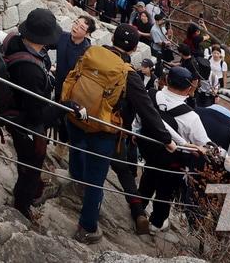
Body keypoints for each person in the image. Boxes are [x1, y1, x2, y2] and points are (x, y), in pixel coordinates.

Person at [65, 23, 144, 244]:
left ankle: (76, 181)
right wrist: (167, 140)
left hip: (75, 115)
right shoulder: (129, 74)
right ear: (135, 49)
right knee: (96, 180)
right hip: (103, 130)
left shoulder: (92, 52)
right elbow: (147, 111)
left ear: (112, 37)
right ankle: (87, 227)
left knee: (77, 147)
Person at [0, 8, 69, 225]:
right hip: (24, 123)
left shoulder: (15, 42)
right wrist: (63, 107)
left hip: (16, 109)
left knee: (28, 166)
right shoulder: (30, 70)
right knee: (30, 165)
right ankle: (21, 208)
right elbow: (36, 115)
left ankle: (25, 196)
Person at [132, 65, 212, 235]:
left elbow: (139, 119)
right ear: (188, 88)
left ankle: (137, 211)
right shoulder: (191, 117)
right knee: (165, 194)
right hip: (173, 162)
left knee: (147, 180)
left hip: (148, 152)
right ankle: (155, 224)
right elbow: (203, 143)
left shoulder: (150, 95)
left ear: (167, 80)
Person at [111, 52, 174, 230]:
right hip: (119, 131)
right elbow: (143, 109)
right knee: (125, 172)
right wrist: (167, 140)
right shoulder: (133, 78)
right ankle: (138, 210)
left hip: (102, 125)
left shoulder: (126, 76)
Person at [52, 16, 94, 106]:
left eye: (81, 28)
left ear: (87, 34)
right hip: (58, 82)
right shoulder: (63, 36)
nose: (76, 27)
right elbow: (46, 44)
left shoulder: (87, 52)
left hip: (72, 90)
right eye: (76, 23)